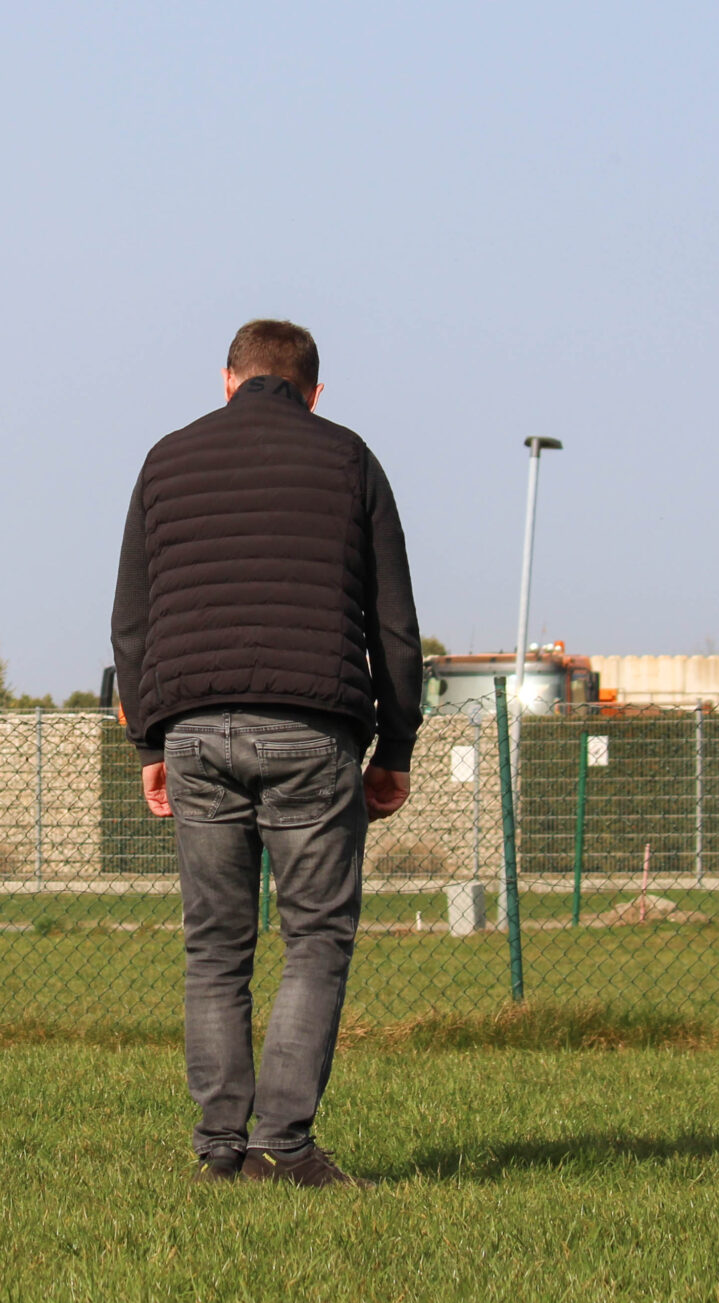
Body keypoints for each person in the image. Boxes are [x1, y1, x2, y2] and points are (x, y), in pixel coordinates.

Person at [109, 319, 424, 1188]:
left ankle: (219, 1150)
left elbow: (131, 620)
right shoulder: (350, 458)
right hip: (312, 728)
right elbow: (395, 622)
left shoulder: (166, 460)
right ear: (314, 393)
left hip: (194, 728)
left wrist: (150, 741)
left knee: (214, 946)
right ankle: (284, 1146)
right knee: (315, 937)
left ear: (227, 380)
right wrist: (395, 745)